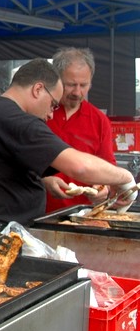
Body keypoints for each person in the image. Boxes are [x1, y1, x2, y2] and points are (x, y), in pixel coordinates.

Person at [0, 58, 136, 230]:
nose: (51, 114)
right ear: (38, 89)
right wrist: (125, 177)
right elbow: (80, 167)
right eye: (53, 104)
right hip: (5, 236)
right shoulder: (20, 121)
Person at [44, 47, 116, 213]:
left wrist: (103, 187)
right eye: (70, 85)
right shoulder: (39, 112)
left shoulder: (99, 120)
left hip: (81, 213)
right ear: (56, 80)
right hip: (39, 211)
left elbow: (107, 166)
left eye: (83, 85)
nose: (77, 92)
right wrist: (43, 181)